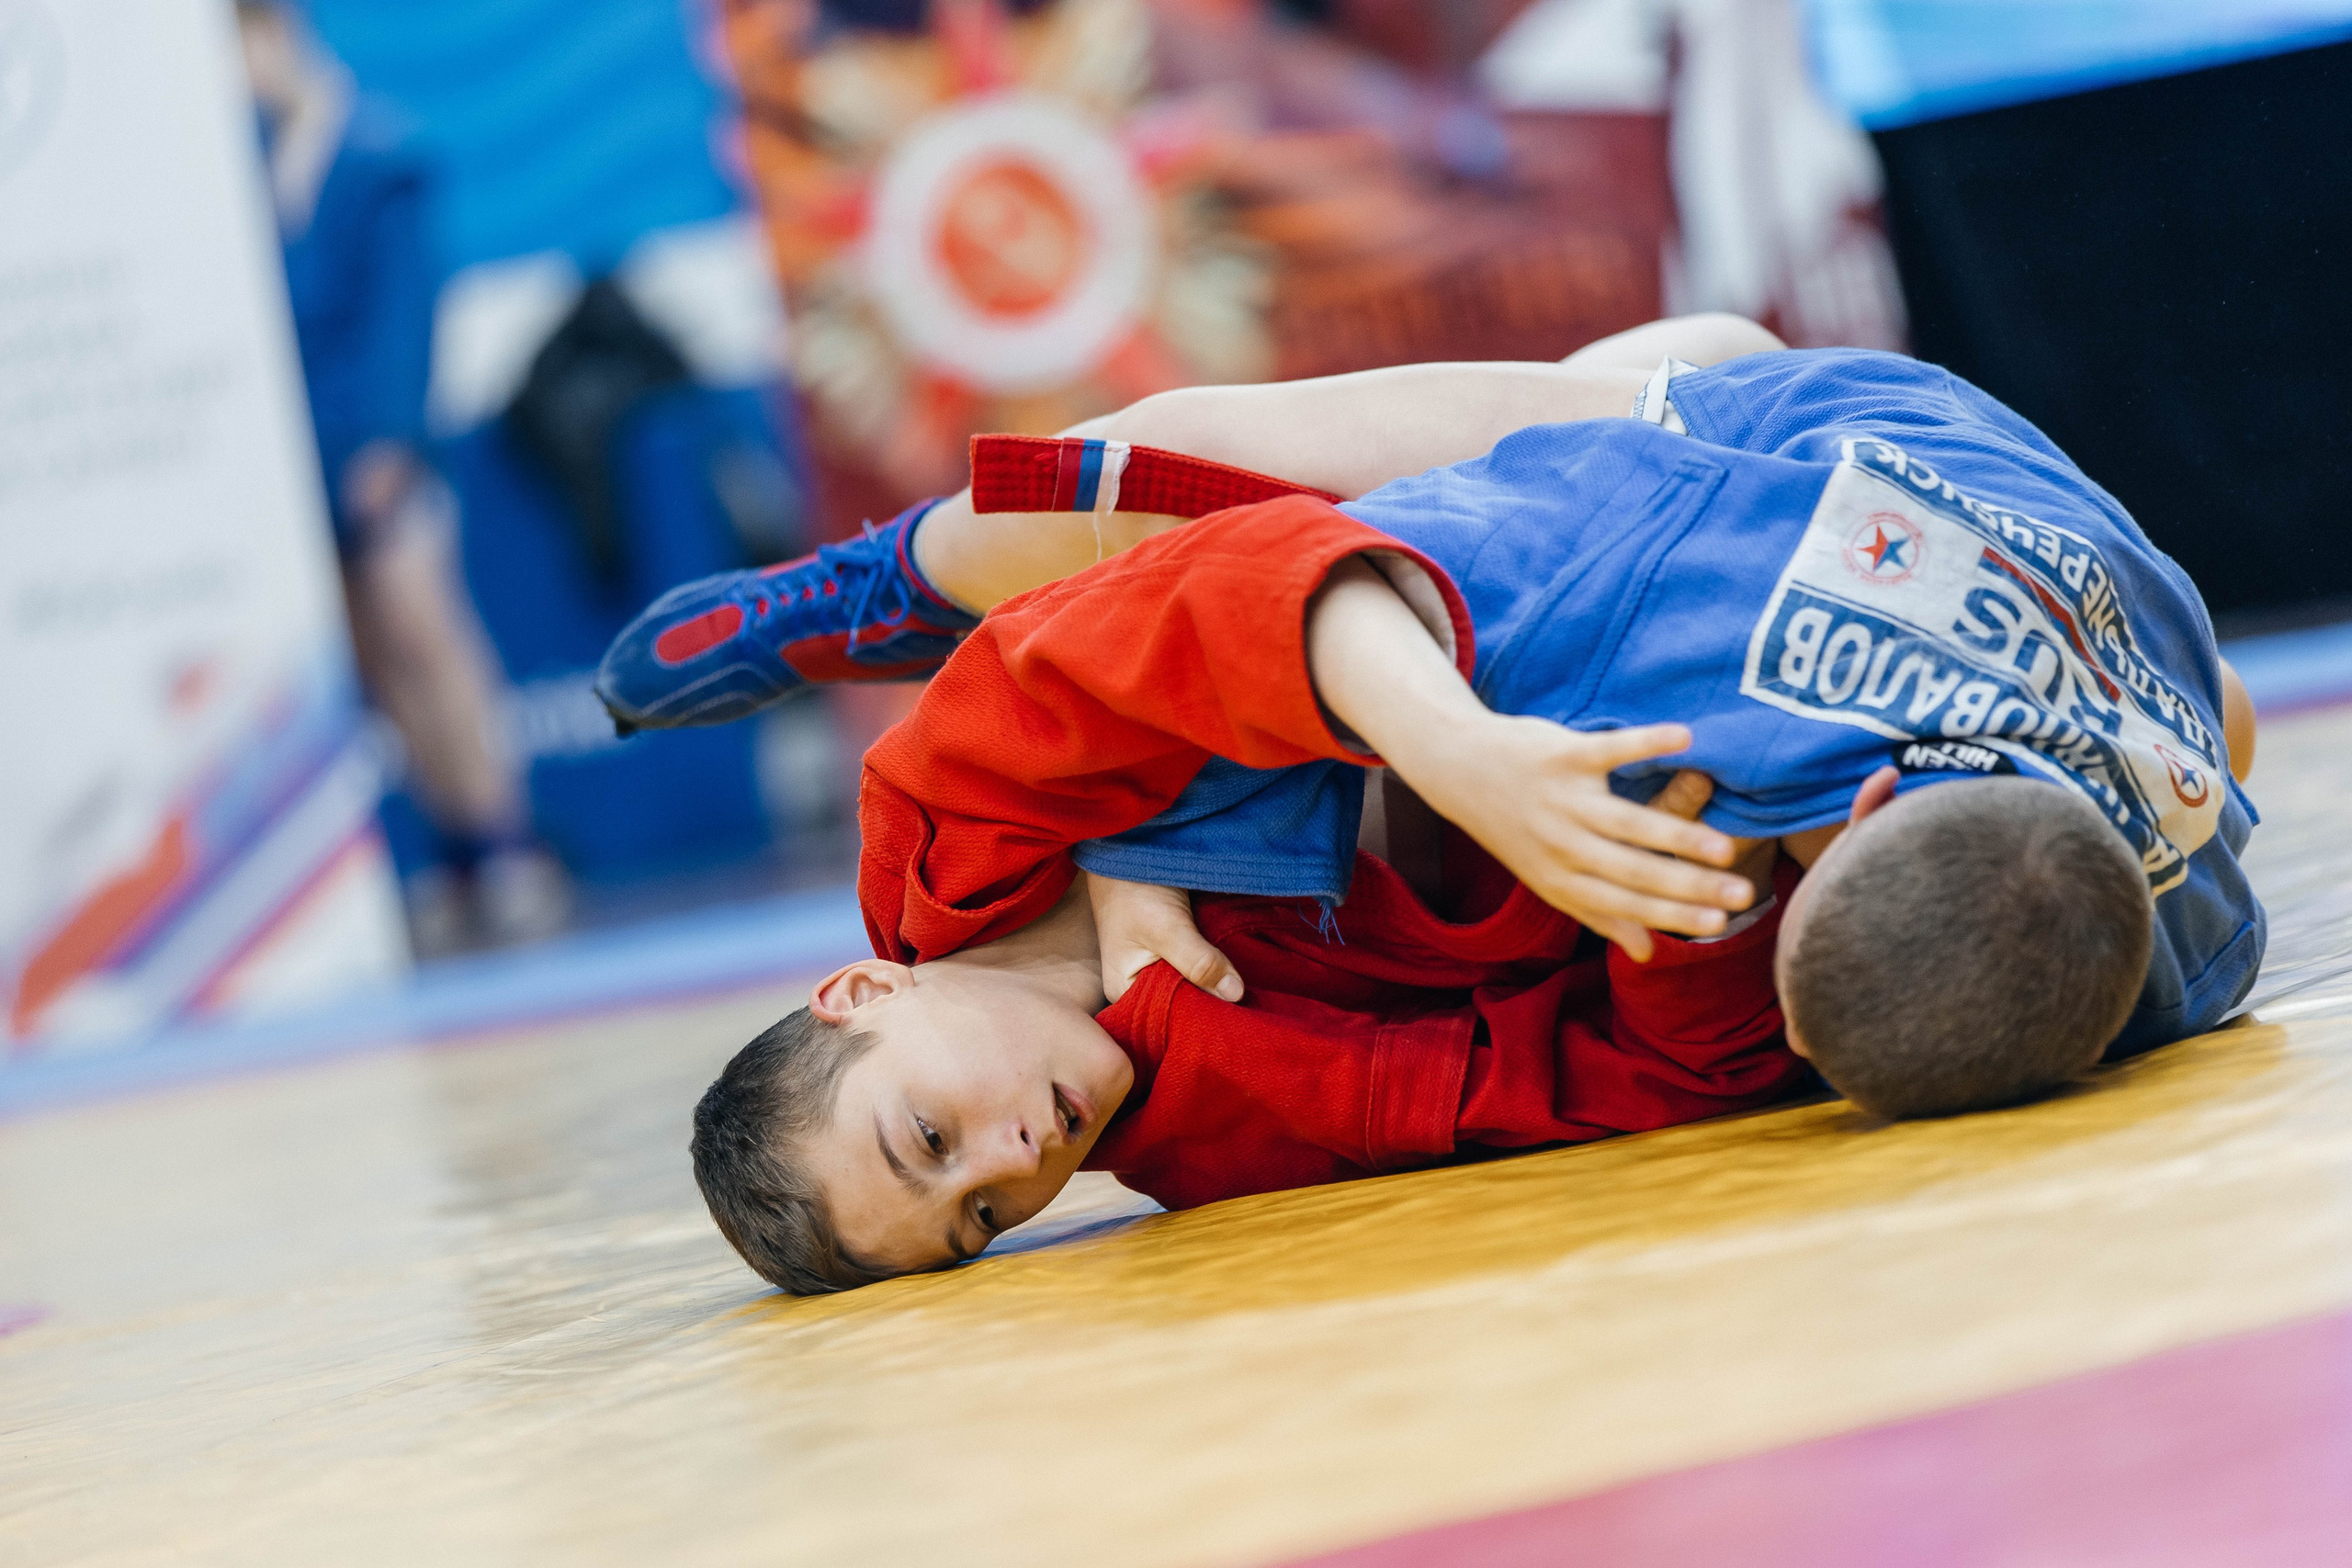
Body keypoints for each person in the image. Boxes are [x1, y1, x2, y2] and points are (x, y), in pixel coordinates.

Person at [605, 317, 2262, 1292]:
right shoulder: (1206, 1137)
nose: (1019, 1159)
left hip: (1542, 550)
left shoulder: (941, 819)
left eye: (929, 1130)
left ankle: (871, 578)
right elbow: (1566, 1085)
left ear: (864, 986)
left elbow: (1229, 584)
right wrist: (1688, 904)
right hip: (1881, 588)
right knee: (2210, 749)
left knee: (1171, 472)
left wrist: (1456, 757)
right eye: (980, 1218)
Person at [239, 0, 568, 952]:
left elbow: (405, 315)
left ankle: (510, 839)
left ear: (278, 35)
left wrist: (390, 441)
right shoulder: (245, 168)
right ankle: (453, 842)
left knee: (430, 638)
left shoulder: (380, 152)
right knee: (376, 666)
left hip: (384, 446)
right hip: (301, 457)